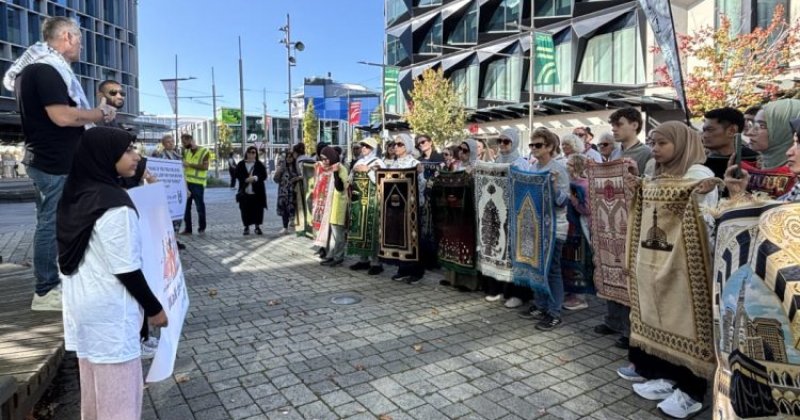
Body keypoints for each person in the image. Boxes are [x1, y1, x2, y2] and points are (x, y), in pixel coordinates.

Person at [3, 17, 118, 311]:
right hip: (54, 162)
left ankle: (56, 280)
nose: (81, 46)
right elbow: (62, 117)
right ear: (67, 37)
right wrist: (98, 114)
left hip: (53, 160)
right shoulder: (45, 69)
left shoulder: (37, 70)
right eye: (79, 39)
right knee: (51, 223)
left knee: (61, 222)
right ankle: (45, 290)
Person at [56, 127, 168, 419]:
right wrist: (155, 309)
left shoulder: (77, 193)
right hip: (111, 313)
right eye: (128, 150)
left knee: (94, 395)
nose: (136, 156)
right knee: (120, 401)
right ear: (106, 155)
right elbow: (127, 268)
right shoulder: (115, 206)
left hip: (83, 308)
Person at [617, 121, 717, 419]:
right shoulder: (659, 174)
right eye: (653, 143)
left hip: (688, 266)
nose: (656, 150)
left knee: (687, 323)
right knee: (662, 319)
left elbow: (706, 223)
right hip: (657, 261)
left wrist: (698, 195)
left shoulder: (699, 176)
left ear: (681, 144)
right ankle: (669, 378)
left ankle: (692, 393)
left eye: (662, 144)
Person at [518, 128, 570, 331]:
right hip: (535, 226)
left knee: (553, 270)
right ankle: (540, 306)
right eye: (531, 145)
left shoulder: (558, 169)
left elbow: (563, 202)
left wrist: (555, 186)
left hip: (555, 227)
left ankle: (555, 312)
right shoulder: (533, 168)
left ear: (550, 146)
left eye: (538, 145)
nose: (533, 149)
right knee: (536, 268)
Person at [701, 107, 759, 180]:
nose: (704, 135)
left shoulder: (754, 161)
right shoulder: (699, 163)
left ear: (732, 130)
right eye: (704, 130)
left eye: (710, 130)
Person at [318, 146, 349, 267]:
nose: (325, 161)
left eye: (326, 159)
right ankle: (331, 255)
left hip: (339, 205)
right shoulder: (329, 168)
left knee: (338, 233)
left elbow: (341, 187)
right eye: (323, 159)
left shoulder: (340, 168)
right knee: (332, 233)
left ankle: (339, 256)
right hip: (330, 205)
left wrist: (336, 172)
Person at [180, 134, 209, 235]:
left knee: (199, 207)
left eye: (185, 142)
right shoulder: (186, 151)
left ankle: (202, 228)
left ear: (191, 140)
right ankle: (188, 229)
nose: (183, 144)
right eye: (182, 142)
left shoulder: (204, 151)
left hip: (198, 184)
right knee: (186, 207)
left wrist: (190, 165)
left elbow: (205, 167)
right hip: (186, 183)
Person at [235, 146, 268, 235]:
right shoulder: (241, 164)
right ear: (247, 153)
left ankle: (257, 227)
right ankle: (246, 227)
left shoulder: (259, 164)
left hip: (257, 193)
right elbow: (236, 174)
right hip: (245, 193)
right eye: (250, 152)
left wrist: (255, 178)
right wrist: (245, 179)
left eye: (254, 152)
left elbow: (264, 175)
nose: (252, 154)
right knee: (245, 210)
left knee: (258, 210)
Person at [610, 107, 651, 174]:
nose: (613, 129)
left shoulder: (648, 153)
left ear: (634, 125)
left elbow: (651, 182)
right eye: (613, 125)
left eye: (619, 124)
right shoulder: (614, 153)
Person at [274, 149, 299, 234]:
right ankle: (285, 228)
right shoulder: (282, 166)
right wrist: (279, 171)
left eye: (290, 157)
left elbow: (301, 177)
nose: (289, 159)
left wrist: (297, 178)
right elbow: (275, 179)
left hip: (293, 193)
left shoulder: (296, 167)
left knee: (292, 209)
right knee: (284, 210)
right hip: (283, 193)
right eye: (287, 157)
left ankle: (292, 224)